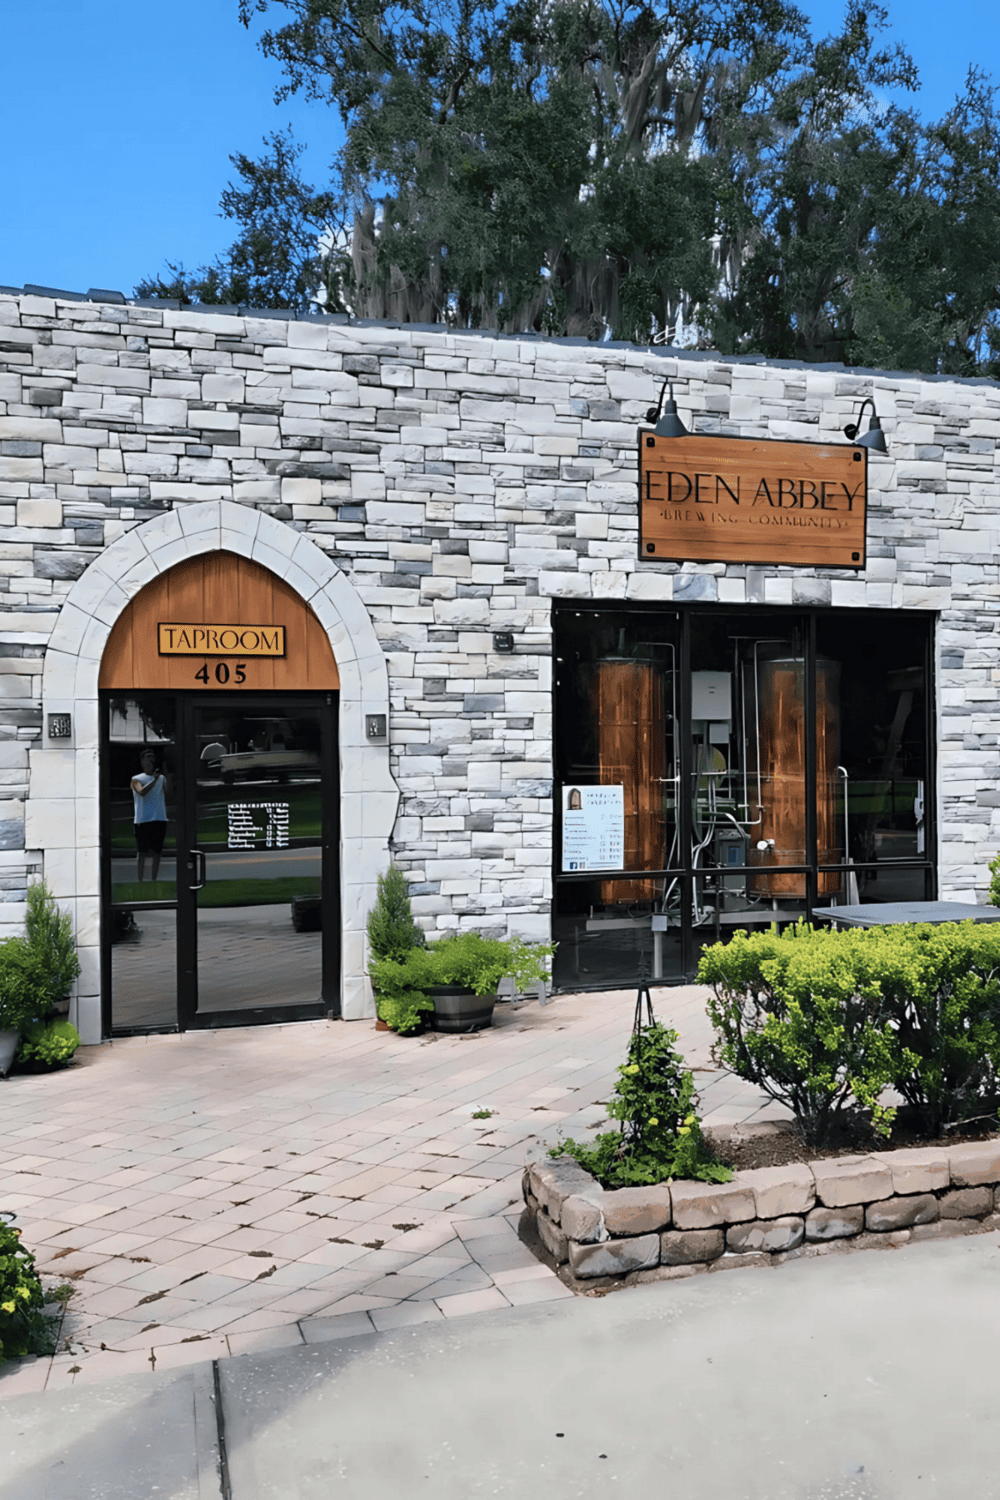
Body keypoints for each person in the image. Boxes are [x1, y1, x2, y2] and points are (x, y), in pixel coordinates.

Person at [131, 749, 168, 882]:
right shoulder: (135, 779)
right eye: (147, 757)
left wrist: (165, 775)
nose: (150, 760)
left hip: (159, 818)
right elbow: (142, 792)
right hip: (143, 820)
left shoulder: (161, 778)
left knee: (157, 852)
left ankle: (154, 879)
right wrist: (154, 779)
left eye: (152, 757)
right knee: (142, 852)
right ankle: (140, 879)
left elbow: (169, 794)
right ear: (142, 761)